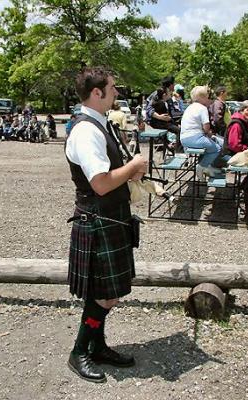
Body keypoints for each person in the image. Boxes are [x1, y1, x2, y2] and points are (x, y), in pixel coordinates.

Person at [65, 67, 147, 383]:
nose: (116, 93)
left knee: (103, 293)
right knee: (106, 296)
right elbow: (100, 183)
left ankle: (97, 345)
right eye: (112, 88)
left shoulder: (102, 125)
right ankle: (80, 351)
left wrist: (129, 171)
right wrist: (133, 166)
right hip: (98, 221)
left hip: (110, 219)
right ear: (97, 92)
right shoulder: (86, 131)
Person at [180, 85, 221, 179]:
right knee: (217, 148)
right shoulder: (202, 108)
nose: (209, 99)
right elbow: (206, 127)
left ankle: (207, 166)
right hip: (195, 138)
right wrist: (209, 133)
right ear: (202, 98)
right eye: (207, 97)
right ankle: (202, 166)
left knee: (211, 145)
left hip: (184, 139)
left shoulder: (190, 107)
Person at [214, 100, 248, 169]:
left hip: (241, 153)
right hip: (230, 155)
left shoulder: (247, 122)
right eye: (247, 110)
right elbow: (234, 146)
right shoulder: (237, 124)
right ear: (241, 110)